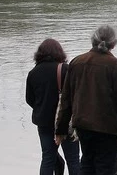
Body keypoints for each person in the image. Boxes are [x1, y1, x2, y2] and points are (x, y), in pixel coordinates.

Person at [56, 25, 117, 175]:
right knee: (106, 167)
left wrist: (61, 129)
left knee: (87, 163)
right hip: (108, 129)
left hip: (83, 126)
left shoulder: (77, 63)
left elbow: (66, 100)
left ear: (93, 40)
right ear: (113, 44)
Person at [26, 38, 80, 175]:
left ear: (40, 54)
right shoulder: (66, 70)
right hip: (66, 122)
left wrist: (42, 108)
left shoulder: (33, 73)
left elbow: (29, 99)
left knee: (48, 159)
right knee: (73, 160)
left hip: (44, 124)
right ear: (59, 52)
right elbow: (77, 95)